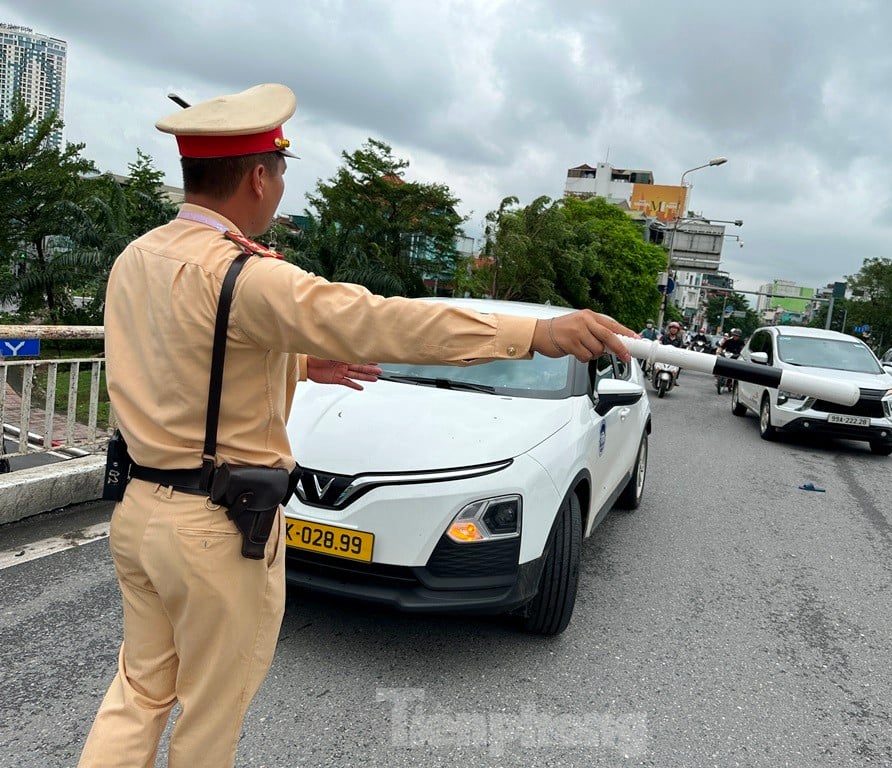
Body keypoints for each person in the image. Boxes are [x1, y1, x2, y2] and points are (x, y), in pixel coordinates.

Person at [78, 83, 635, 768]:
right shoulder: (250, 278)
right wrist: (537, 332)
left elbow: (183, 358)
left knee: (138, 691)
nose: (281, 183)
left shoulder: (136, 259)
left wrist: (300, 364)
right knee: (209, 715)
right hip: (215, 531)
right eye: (281, 169)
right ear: (259, 177)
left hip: (138, 512)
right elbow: (386, 320)